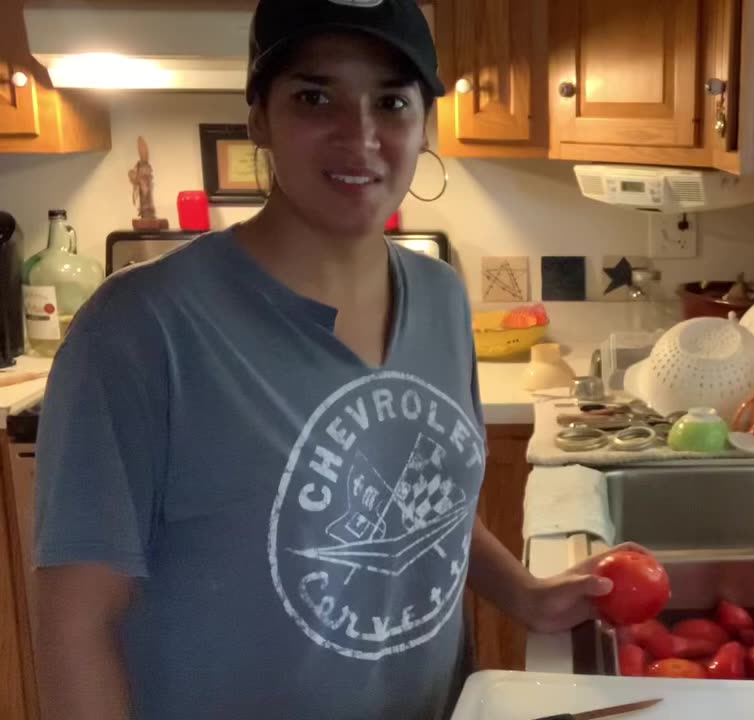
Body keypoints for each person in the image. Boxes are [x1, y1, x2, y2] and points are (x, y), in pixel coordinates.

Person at [33, 1, 633, 718]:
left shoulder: (439, 297)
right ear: (258, 120)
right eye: (315, 97)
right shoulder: (140, 329)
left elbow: (428, 505)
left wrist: (525, 596)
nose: (361, 135)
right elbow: (75, 622)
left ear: (422, 124)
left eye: (391, 101)